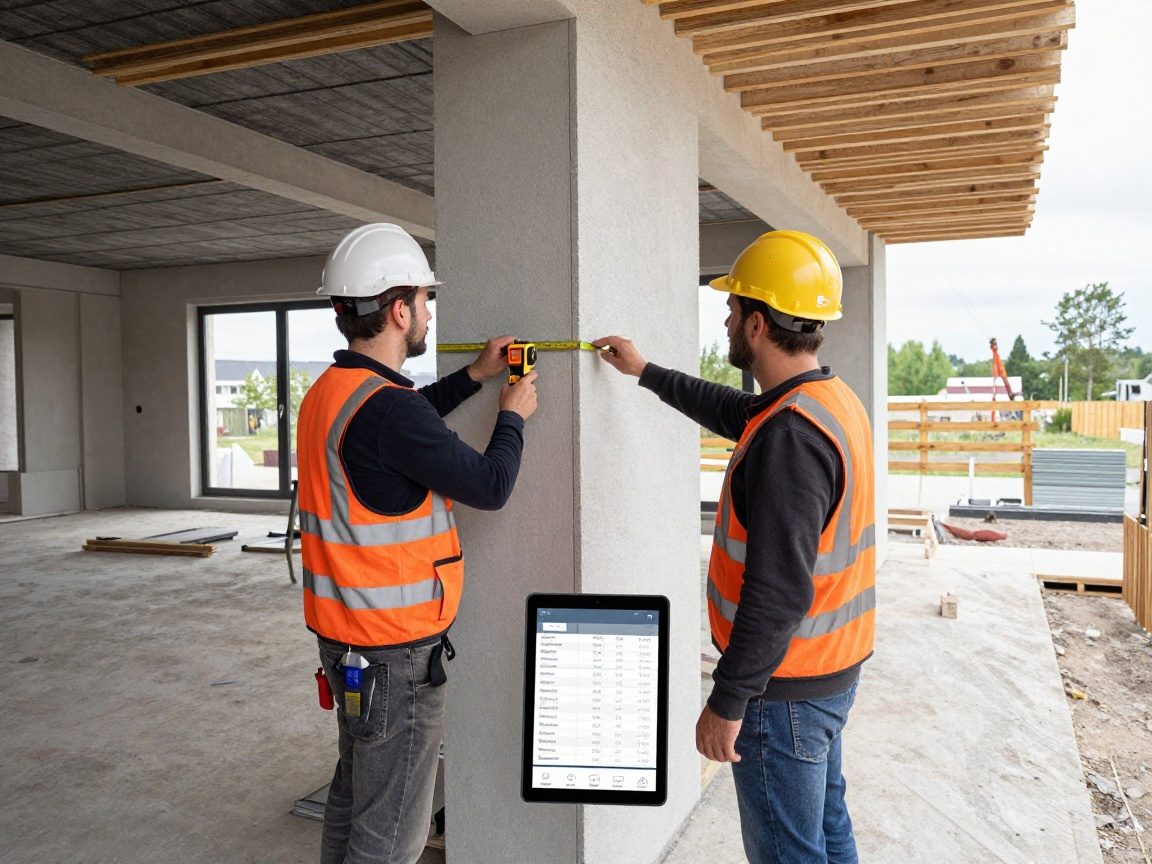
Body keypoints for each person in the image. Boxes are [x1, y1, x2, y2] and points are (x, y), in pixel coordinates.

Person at [594, 230, 875, 864]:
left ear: (755, 324)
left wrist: (727, 701)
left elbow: (778, 593)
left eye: (730, 308)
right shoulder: (825, 401)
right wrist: (646, 373)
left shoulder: (789, 439)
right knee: (826, 834)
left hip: (785, 692)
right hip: (828, 673)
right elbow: (737, 410)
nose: (723, 317)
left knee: (788, 853)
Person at [297, 223, 539, 864]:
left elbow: (405, 421)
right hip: (395, 653)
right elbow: (490, 485)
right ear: (399, 310)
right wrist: (513, 412)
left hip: (344, 640)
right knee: (391, 837)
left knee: (351, 803)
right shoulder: (388, 410)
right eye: (425, 300)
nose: (429, 312)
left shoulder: (330, 394)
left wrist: (475, 377)